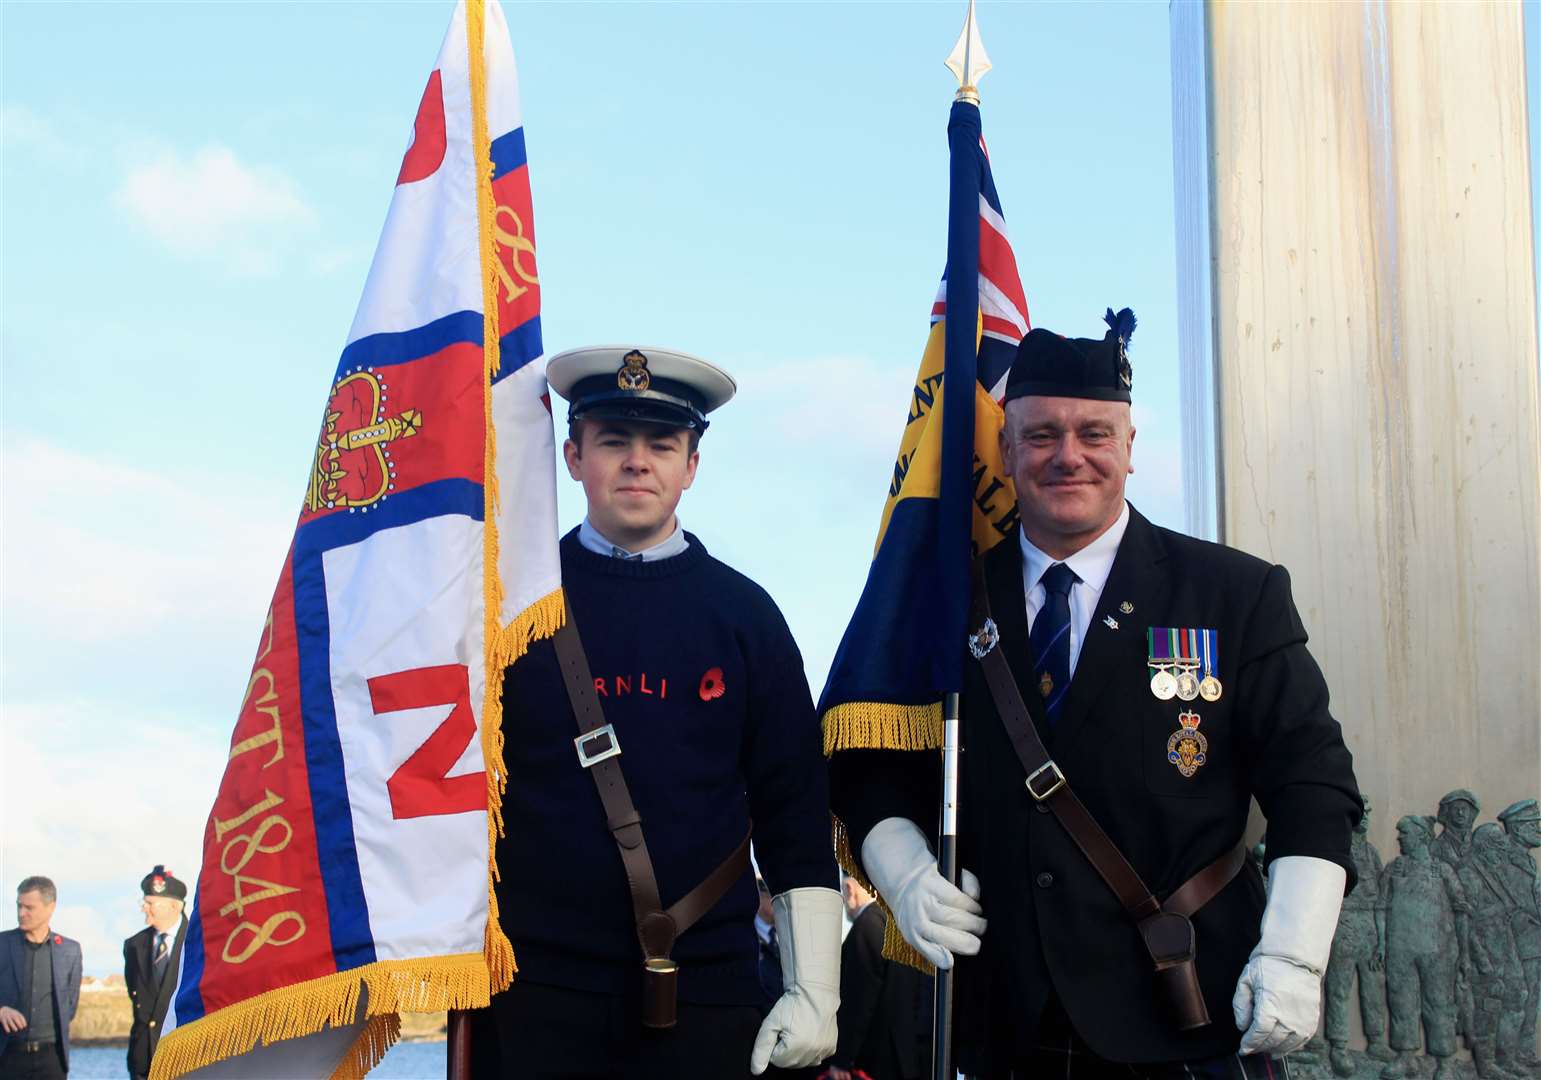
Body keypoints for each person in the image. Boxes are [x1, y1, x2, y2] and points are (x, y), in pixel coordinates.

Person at [830, 311, 1363, 1076]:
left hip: (1183, 1014)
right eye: (1041, 434)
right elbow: (869, 763)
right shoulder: (942, 603)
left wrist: (1294, 952)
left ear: (1129, 449)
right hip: (1001, 1021)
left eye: (1093, 434)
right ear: (1005, 450)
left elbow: (1312, 783)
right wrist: (904, 871)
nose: (1067, 456)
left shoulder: (1232, 594)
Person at [474, 346, 841, 1078]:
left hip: (704, 995)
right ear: (574, 456)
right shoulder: (502, 607)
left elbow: (793, 811)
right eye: (614, 441)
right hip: (531, 997)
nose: (637, 463)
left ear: (691, 466)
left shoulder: (746, 617)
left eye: (661, 445)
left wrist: (814, 990)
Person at [1379, 815, 1467, 1080]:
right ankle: (1405, 1057)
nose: (1399, 838)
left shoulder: (1442, 871)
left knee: (1439, 1004)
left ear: (1421, 836)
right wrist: (1382, 944)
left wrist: (1463, 952)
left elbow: (1461, 911)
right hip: (1400, 949)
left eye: (1404, 833)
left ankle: (1445, 1062)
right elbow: (1381, 909)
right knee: (1401, 1002)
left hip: (1438, 951)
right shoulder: (1394, 869)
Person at [824, 874, 930, 1080]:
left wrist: (842, 1059)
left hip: (875, 1061)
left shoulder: (866, 927)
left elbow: (858, 1002)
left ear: (849, 888)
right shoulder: (900, 924)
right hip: (910, 1056)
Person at [0, 876, 82, 1080]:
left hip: (52, 1060)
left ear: (50, 907)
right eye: (19, 906)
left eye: (29, 907)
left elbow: (69, 1006)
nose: (21, 913)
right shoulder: (1, 944)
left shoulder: (70, 950)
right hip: (6, 1056)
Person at [123, 866, 188, 1080]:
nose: (144, 908)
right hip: (143, 1058)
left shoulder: (198, 941)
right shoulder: (134, 945)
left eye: (150, 903)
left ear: (174, 906)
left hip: (184, 1057)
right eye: (144, 902)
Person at [1494, 799, 1540, 1070]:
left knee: (1532, 997)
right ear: (1518, 828)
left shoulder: (1526, 859)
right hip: (1513, 940)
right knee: (1516, 998)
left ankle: (1523, 1051)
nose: (1539, 829)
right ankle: (1507, 1055)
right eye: (1534, 824)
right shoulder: (1504, 858)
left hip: (1532, 940)